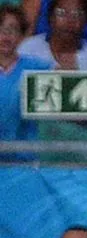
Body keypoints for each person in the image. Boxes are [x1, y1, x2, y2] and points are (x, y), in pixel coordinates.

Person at [0, 6, 49, 159]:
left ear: (22, 35)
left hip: (25, 159)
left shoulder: (39, 68)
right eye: (0, 29)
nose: (5, 35)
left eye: (12, 29)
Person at [18, 0, 87, 70]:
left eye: (76, 14)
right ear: (50, 18)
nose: (69, 20)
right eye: (61, 13)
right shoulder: (28, 50)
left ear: (85, 21)